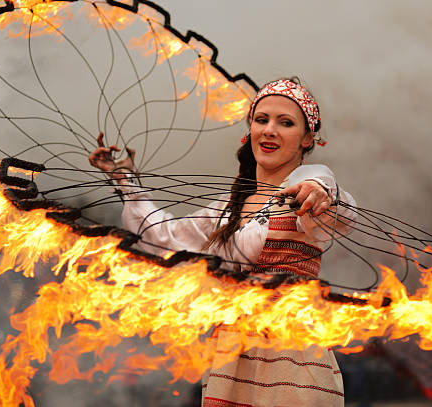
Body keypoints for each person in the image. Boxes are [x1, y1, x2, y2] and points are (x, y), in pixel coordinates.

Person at [89, 78, 356, 406]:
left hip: (291, 358)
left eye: (285, 123)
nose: (270, 130)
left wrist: (318, 191)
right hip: (231, 356)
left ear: (307, 139)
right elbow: (164, 237)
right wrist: (125, 180)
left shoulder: (305, 187)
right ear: (250, 131)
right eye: (262, 120)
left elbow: (339, 205)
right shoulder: (229, 208)